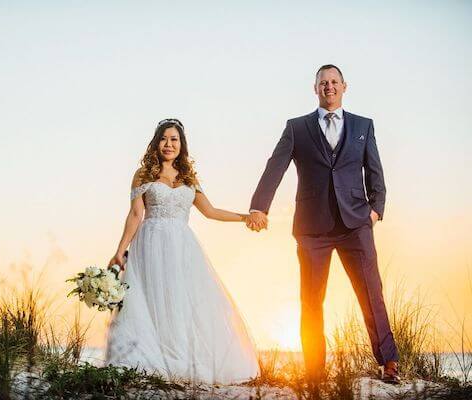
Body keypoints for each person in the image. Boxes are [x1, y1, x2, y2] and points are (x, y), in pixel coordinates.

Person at [246, 65, 400, 384]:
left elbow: (375, 173)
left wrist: (375, 212)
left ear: (344, 86)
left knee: (372, 294)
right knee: (312, 300)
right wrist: (259, 207)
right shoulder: (297, 128)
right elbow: (275, 167)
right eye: (322, 83)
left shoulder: (363, 126)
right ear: (314, 89)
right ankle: (315, 371)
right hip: (312, 229)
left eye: (334, 82)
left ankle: (389, 363)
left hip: (356, 225)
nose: (328, 87)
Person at [105, 118, 259, 384]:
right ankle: (148, 362)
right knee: (152, 297)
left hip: (182, 245)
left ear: (181, 145)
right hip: (150, 243)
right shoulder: (143, 174)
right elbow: (135, 214)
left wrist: (244, 217)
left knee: (182, 298)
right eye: (164, 138)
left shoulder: (189, 177)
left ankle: (183, 361)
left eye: (174, 139)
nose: (169, 144)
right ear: (156, 142)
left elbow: (210, 212)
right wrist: (120, 251)